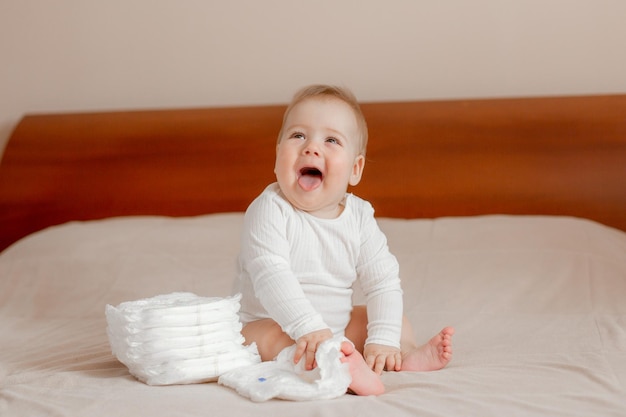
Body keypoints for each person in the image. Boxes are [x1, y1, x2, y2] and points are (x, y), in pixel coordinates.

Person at [234, 84, 454, 396]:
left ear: (355, 169)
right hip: (277, 322)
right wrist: (308, 328)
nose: (311, 148)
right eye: (298, 135)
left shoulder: (359, 217)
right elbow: (271, 275)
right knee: (261, 337)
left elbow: (383, 282)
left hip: (335, 327)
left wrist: (383, 338)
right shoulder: (269, 209)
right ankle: (332, 366)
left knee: (388, 317)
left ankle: (399, 355)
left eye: (331, 140)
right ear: (277, 155)